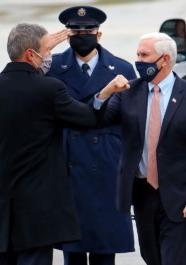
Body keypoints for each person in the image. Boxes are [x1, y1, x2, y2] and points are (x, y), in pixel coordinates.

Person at [0, 23, 126, 265]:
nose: (50, 56)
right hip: (39, 209)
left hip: (0, 205)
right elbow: (87, 119)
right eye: (47, 50)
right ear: (31, 54)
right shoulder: (48, 89)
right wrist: (106, 92)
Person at [94, 32, 186, 265]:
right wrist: (106, 92)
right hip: (143, 196)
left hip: (182, 199)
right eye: (138, 55)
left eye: (144, 55)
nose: (138, 61)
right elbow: (97, 120)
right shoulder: (127, 93)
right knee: (151, 258)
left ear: (164, 60)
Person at [46, 6, 136, 265]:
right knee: (72, 252)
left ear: (99, 35)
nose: (82, 34)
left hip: (107, 163)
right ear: (67, 34)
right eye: (76, 30)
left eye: (88, 30)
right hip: (67, 162)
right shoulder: (52, 68)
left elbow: (131, 121)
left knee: (104, 250)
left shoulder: (121, 68)